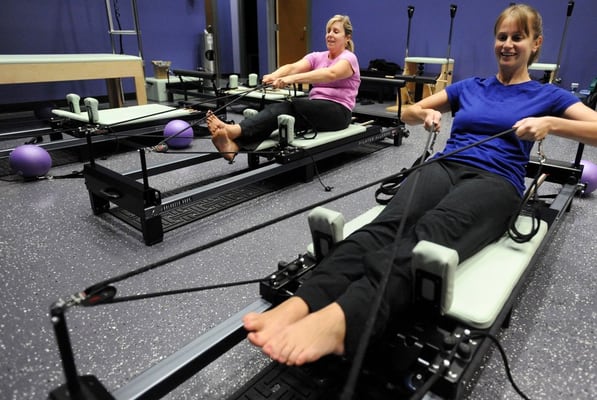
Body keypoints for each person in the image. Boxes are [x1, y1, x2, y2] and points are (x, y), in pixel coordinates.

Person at [241, 4, 597, 367]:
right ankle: (305, 302)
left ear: (535, 44)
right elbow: (407, 112)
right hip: (445, 166)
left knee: (430, 234)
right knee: (386, 226)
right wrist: (424, 112)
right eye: (502, 36)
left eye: (517, 37)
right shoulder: (470, 86)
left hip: (496, 181)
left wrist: (552, 124)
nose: (507, 44)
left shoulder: (548, 97)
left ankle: (344, 321)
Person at [206, 15, 360, 161]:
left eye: (336, 31)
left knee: (289, 107)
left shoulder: (349, 58)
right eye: (328, 31)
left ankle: (234, 131)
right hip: (317, 108)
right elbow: (293, 67)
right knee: (280, 118)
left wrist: (290, 79)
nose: (330, 35)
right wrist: (274, 75)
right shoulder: (318, 56)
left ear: (347, 38)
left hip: (339, 112)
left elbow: (330, 74)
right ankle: (234, 146)